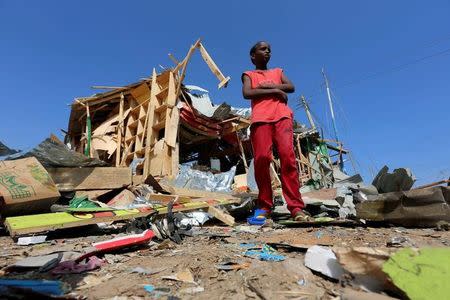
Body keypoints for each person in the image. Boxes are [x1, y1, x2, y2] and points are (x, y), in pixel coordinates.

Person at [242, 41, 309, 224]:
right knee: (262, 159)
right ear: (253, 55)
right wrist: (274, 90)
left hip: (282, 116)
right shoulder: (249, 74)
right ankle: (264, 206)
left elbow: (291, 87)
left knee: (288, 158)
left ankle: (296, 207)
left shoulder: (278, 72)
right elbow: (247, 93)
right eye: (263, 49)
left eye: (269, 49)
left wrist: (264, 89)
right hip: (260, 118)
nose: (267, 52)